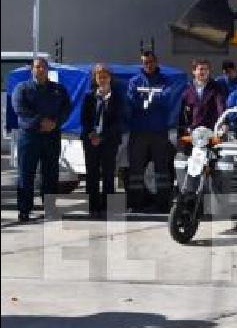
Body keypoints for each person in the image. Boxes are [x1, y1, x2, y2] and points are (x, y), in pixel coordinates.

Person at [11, 57, 72, 222]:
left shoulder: (58, 89)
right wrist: (40, 122)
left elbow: (67, 108)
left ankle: (50, 209)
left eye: (43, 67)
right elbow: (20, 109)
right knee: (26, 174)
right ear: (32, 70)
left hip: (52, 136)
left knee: (51, 174)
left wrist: (55, 123)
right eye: (37, 67)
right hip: (29, 137)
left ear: (47, 69)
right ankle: (24, 210)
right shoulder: (22, 88)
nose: (40, 70)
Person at [126, 50, 175, 213]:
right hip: (138, 131)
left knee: (161, 169)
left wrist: (147, 100)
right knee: (136, 170)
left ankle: (163, 204)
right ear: (142, 63)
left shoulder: (165, 81)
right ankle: (136, 204)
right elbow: (132, 100)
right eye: (145, 62)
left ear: (156, 62)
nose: (148, 65)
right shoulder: (135, 81)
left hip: (159, 131)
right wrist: (151, 100)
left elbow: (167, 98)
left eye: (151, 62)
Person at [80, 64, 127, 218]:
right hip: (90, 141)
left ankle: (108, 208)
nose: (102, 79)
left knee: (108, 174)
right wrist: (92, 135)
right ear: (95, 79)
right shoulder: (89, 96)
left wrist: (102, 136)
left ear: (110, 78)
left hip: (109, 141)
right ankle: (93, 207)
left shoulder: (117, 97)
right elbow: (84, 119)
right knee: (92, 174)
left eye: (105, 76)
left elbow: (118, 122)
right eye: (99, 77)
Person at [178, 58, 226, 155]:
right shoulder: (186, 88)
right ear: (194, 71)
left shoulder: (216, 87)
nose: (203, 72)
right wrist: (183, 128)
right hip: (192, 131)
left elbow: (220, 106)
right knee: (190, 161)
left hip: (211, 131)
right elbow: (180, 110)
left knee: (211, 161)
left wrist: (223, 123)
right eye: (200, 69)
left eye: (206, 69)